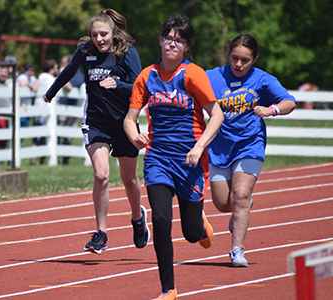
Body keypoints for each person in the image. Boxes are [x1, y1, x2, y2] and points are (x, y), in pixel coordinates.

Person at [124, 14, 224, 300]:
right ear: (160, 40)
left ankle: (200, 223)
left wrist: (199, 147)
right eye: (168, 38)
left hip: (190, 160)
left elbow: (216, 116)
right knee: (161, 221)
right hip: (157, 160)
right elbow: (130, 119)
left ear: (186, 45)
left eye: (178, 40)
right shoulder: (147, 76)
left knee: (191, 234)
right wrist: (135, 136)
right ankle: (169, 289)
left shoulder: (192, 74)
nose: (172, 44)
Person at [44, 9, 149, 255]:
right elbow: (70, 70)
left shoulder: (127, 53)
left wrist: (119, 84)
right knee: (101, 175)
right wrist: (52, 91)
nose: (99, 39)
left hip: (124, 123)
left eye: (103, 34)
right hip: (96, 122)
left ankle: (137, 218)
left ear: (114, 33)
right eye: (94, 35)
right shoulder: (85, 50)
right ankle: (101, 233)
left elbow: (140, 87)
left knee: (129, 179)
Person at [205, 33, 297, 268]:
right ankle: (240, 209)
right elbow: (187, 86)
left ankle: (237, 250)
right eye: (235, 58)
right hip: (219, 146)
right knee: (223, 203)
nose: (238, 64)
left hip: (250, 144)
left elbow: (290, 102)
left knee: (241, 196)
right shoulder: (213, 77)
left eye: (245, 60)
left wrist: (272, 110)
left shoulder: (263, 80)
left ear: (254, 59)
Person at [57, 54, 85, 165]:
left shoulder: (77, 74)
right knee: (57, 134)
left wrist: (62, 75)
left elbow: (69, 87)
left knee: (68, 136)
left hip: (70, 111)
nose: (60, 65)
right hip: (60, 109)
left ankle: (65, 159)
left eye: (63, 63)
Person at [32, 59, 58, 165]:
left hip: (37, 107)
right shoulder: (51, 78)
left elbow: (35, 87)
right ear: (51, 70)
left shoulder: (41, 76)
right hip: (46, 108)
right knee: (44, 135)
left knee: (37, 135)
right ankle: (40, 159)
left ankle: (33, 159)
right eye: (55, 68)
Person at [17, 62, 39, 128]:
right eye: (28, 71)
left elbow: (37, 82)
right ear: (25, 71)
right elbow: (22, 83)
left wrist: (35, 85)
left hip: (27, 107)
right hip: (20, 105)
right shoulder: (22, 76)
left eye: (32, 71)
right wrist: (31, 86)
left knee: (25, 126)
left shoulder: (32, 78)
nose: (30, 73)